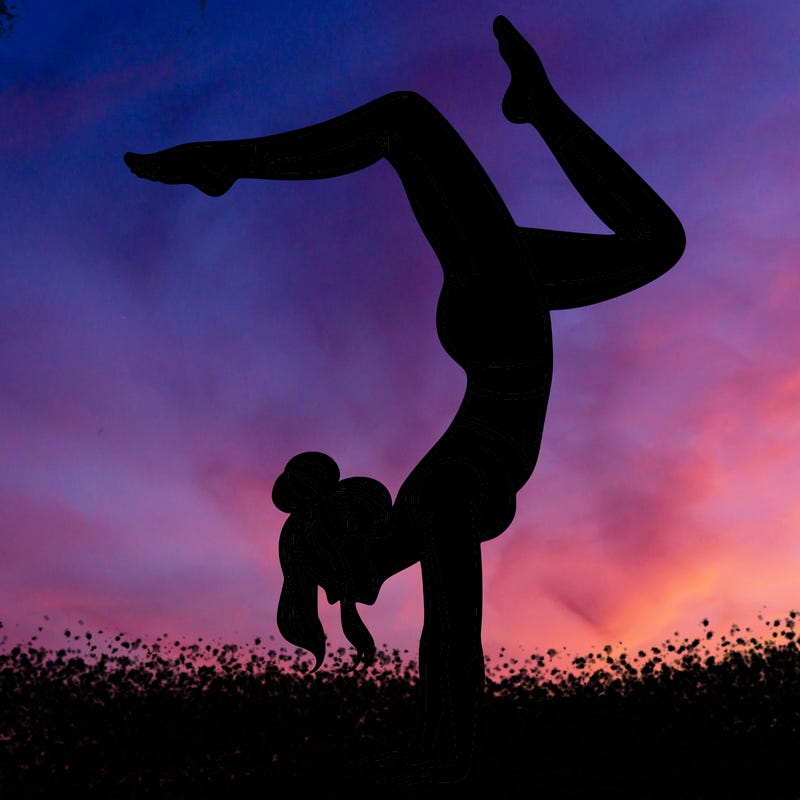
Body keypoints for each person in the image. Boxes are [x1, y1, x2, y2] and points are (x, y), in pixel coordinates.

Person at [125, 15, 685, 785]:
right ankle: (233, 161)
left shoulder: (430, 497)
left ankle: (531, 107)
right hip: (502, 317)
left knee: (649, 242)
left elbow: (445, 634)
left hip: (503, 318)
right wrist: (445, 755)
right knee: (408, 123)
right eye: (354, 516)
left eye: (349, 503)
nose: (364, 496)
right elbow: (451, 636)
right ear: (355, 559)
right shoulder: (437, 501)